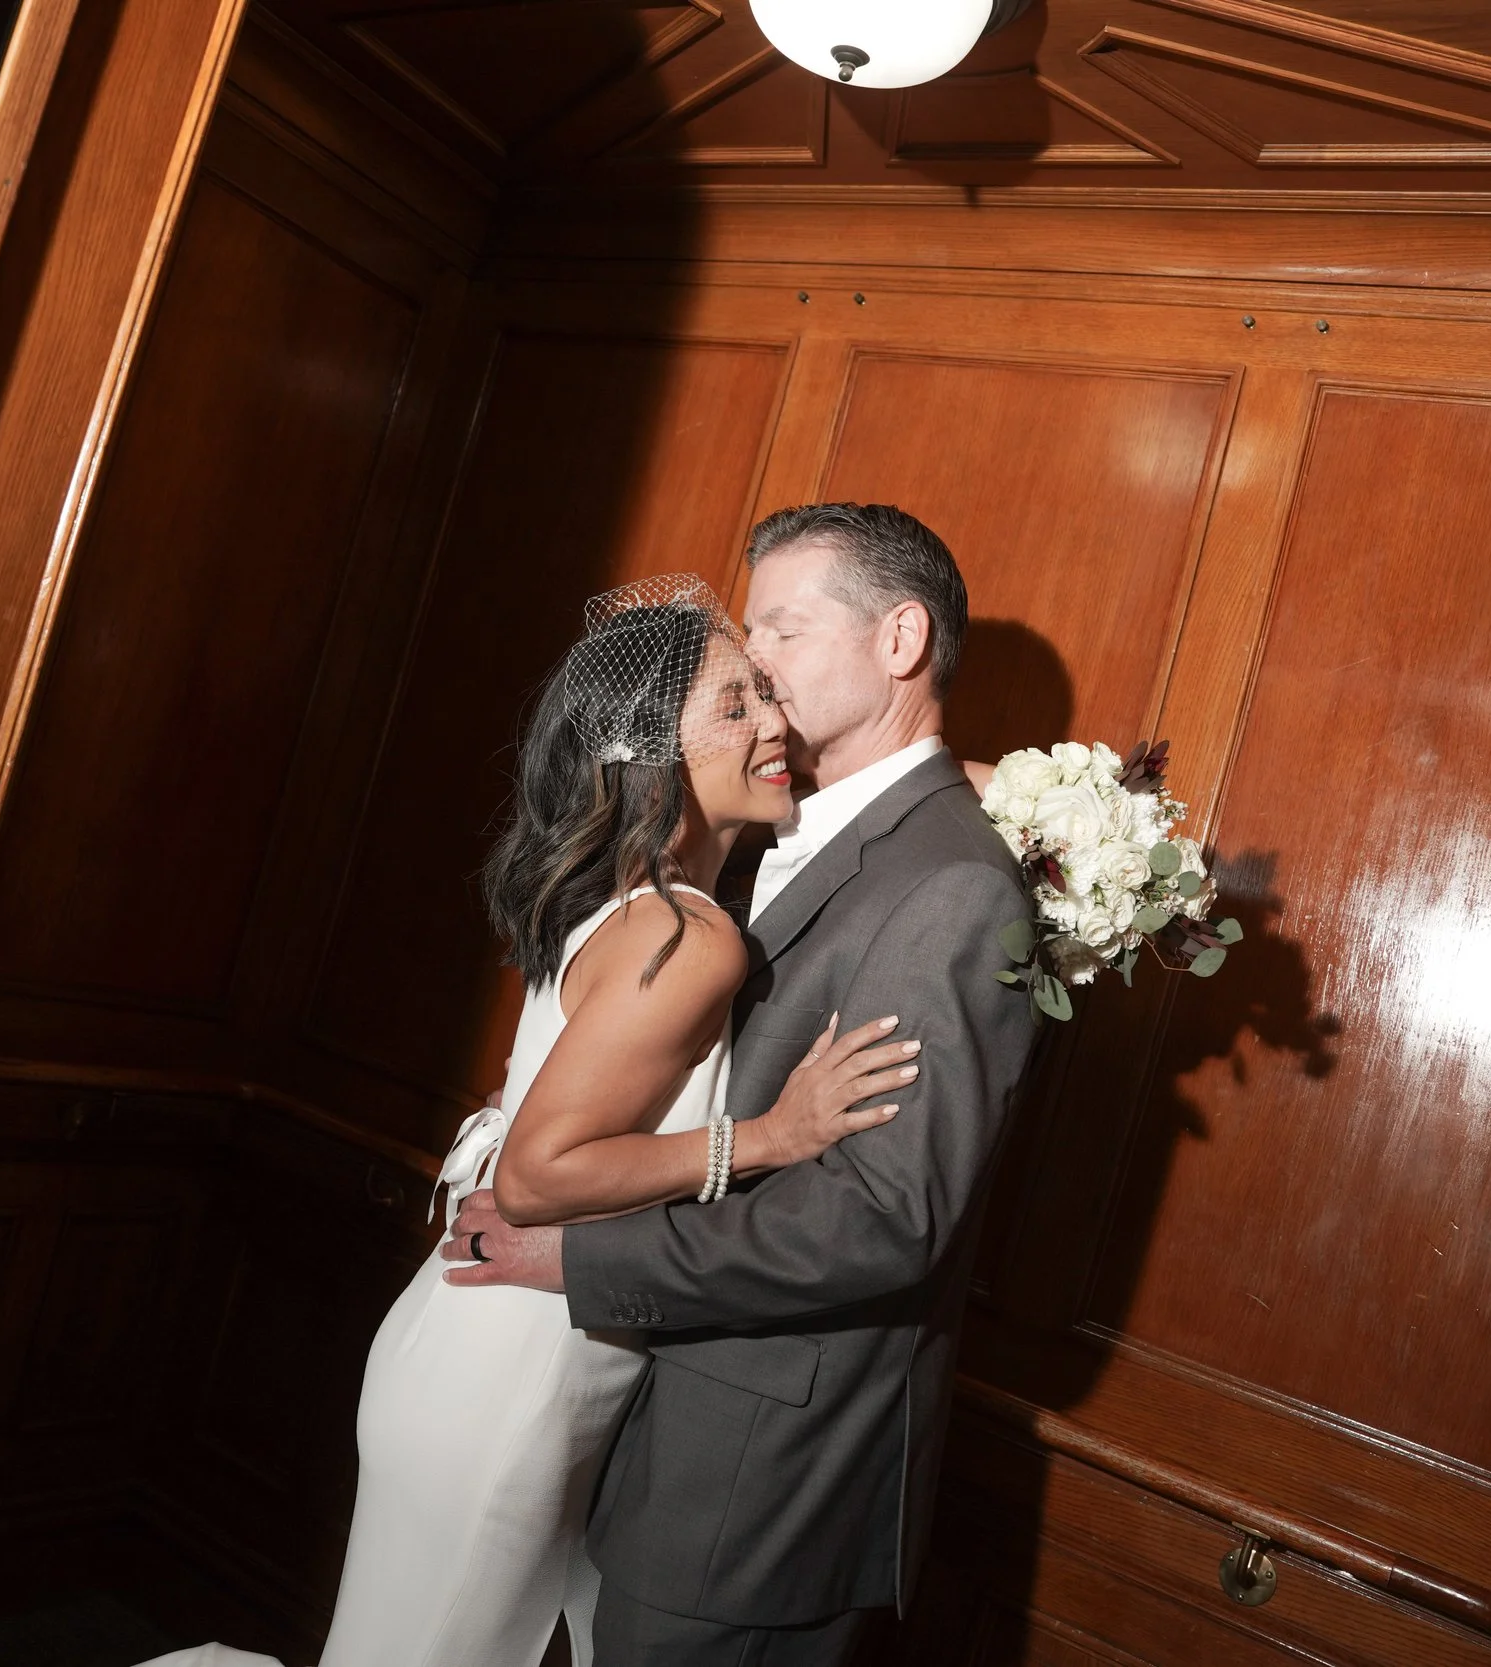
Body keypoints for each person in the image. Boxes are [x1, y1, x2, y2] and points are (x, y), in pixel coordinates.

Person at [148, 574, 923, 1667]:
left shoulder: (630, 899)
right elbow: (532, 1176)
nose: (774, 721)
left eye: (765, 692)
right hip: (510, 1378)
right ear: (653, 751)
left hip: (479, 1342)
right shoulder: (691, 935)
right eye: (736, 703)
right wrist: (770, 1136)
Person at [445, 504, 1039, 1667]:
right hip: (633, 1426)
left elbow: (879, 1219)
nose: (752, 658)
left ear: (900, 639)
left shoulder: (955, 888)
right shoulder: (750, 822)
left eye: (782, 628)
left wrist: (581, 1258)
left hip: (758, 1484)